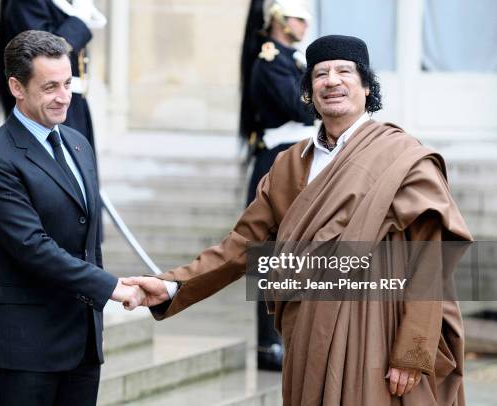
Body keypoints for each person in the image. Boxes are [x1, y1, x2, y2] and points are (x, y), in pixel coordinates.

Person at [124, 35, 471, 405]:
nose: (332, 81)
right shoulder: (289, 164)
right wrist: (174, 285)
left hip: (378, 332)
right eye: (320, 74)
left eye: (344, 72)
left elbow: (429, 260)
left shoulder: (403, 157)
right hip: (308, 334)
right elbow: (241, 245)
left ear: (367, 86)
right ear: (309, 91)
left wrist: (413, 351)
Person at [0, 30, 143, 406]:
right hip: (23, 348)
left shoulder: (78, 142)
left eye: (67, 83)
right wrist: (109, 286)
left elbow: (87, 239)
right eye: (50, 87)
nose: (64, 96)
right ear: (17, 87)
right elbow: (32, 247)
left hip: (81, 343)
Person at [239, 0, 315, 371]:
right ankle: (269, 346)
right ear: (282, 21)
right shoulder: (271, 61)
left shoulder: (294, 59)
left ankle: (293, 338)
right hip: (277, 163)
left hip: (296, 159)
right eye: (300, 18)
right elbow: (300, 108)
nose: (304, 25)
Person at [0, 0, 105, 150]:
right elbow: (43, 53)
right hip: (48, 103)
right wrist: (78, 21)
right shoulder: (27, 4)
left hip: (72, 101)